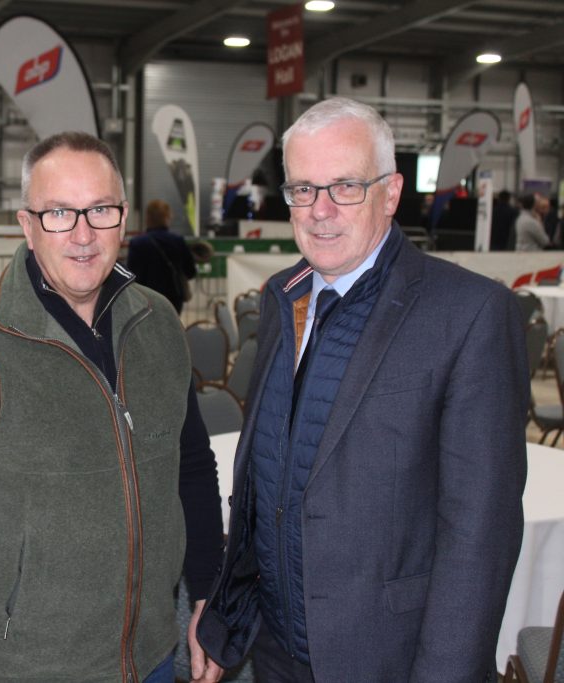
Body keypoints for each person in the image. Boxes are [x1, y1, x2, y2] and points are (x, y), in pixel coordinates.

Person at [197, 97, 528, 682]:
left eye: (345, 186)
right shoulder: (283, 297)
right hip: (275, 653)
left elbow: (479, 535)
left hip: (388, 659)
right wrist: (229, 616)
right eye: (302, 189)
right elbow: (266, 478)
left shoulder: (470, 314)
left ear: (391, 193)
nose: (320, 210)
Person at [0, 131, 225, 683]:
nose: (83, 234)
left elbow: (190, 464)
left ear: (124, 219)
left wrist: (208, 596)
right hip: (22, 667)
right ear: (26, 225)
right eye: (59, 214)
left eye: (100, 210)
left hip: (152, 658)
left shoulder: (159, 324)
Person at [126, 199, 197, 313]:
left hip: (145, 300)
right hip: (173, 300)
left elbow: (133, 277)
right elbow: (190, 272)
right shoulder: (177, 241)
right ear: (167, 217)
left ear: (147, 218)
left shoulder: (138, 243)